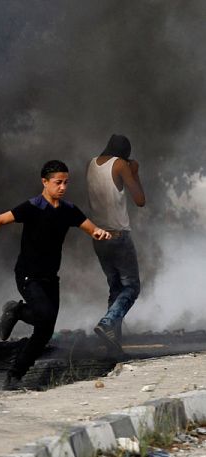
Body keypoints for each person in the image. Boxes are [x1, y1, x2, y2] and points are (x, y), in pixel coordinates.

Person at [0, 160, 112, 390]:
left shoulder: (69, 211)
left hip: (50, 278)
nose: (63, 187)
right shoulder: (33, 207)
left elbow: (91, 228)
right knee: (44, 316)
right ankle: (17, 310)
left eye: (66, 182)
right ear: (44, 182)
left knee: (45, 331)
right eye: (58, 183)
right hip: (28, 275)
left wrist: (100, 233)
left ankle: (14, 376)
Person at [86, 134, 145, 354]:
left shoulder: (91, 164)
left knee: (115, 288)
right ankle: (108, 322)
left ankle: (113, 346)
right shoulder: (121, 165)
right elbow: (140, 200)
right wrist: (135, 173)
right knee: (131, 287)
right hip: (118, 236)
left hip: (98, 236)